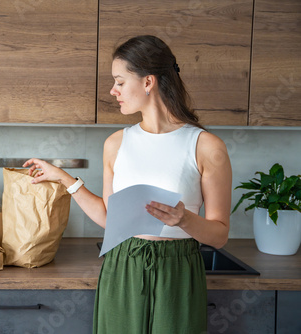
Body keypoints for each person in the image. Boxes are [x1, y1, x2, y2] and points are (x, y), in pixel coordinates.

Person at [23, 35, 232, 334]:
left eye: (120, 82)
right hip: (123, 264)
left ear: (148, 82)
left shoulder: (206, 146)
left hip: (179, 269)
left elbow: (220, 235)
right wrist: (64, 178)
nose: (113, 90)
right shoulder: (116, 143)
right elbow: (111, 219)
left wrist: (184, 219)